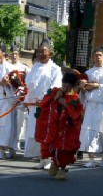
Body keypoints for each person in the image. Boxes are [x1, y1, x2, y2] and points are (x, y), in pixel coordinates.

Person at [34, 72, 83, 180]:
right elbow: (43, 104)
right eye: (64, 85)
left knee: (64, 149)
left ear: (73, 86)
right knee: (53, 147)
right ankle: (55, 163)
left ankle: (61, 168)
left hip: (67, 129)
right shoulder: (53, 92)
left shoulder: (74, 98)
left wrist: (65, 103)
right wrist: (55, 98)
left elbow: (76, 114)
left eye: (69, 86)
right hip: (54, 127)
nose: (66, 88)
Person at [23, 38, 62, 169]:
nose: (40, 54)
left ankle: (49, 159)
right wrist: (34, 98)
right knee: (36, 132)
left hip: (48, 105)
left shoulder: (55, 68)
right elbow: (29, 83)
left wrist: (45, 99)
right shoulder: (35, 67)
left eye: (43, 51)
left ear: (50, 52)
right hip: (36, 105)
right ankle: (42, 158)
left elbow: (56, 85)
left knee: (47, 131)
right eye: (39, 51)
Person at [10, 44, 30, 152]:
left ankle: (17, 142)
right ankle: (10, 145)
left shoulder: (24, 68)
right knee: (10, 123)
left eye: (16, 54)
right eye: (12, 54)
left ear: (19, 55)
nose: (14, 56)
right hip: (10, 98)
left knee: (20, 122)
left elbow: (29, 80)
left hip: (21, 98)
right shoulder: (8, 67)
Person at [0, 43, 16, 159]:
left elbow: (18, 84)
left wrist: (9, 83)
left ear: (3, 52)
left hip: (7, 99)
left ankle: (4, 148)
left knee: (6, 125)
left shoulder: (10, 68)